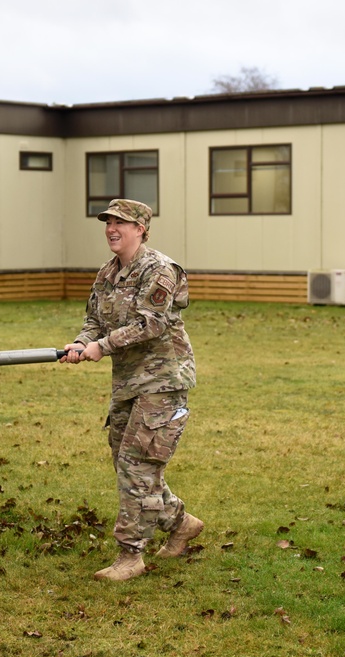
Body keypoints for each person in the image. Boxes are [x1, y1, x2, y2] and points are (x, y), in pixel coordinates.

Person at [61, 198, 202, 582]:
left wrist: (101, 347)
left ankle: (130, 555)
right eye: (108, 222)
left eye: (121, 222)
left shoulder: (160, 270)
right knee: (130, 469)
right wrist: (80, 343)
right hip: (128, 383)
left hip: (162, 381)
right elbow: (93, 319)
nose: (111, 228)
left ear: (141, 229)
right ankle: (180, 522)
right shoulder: (108, 274)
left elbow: (151, 324)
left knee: (135, 465)